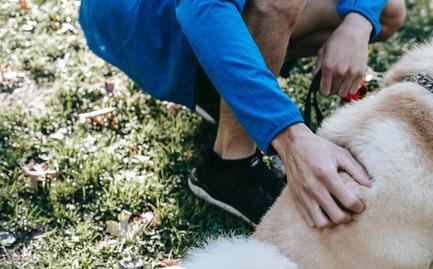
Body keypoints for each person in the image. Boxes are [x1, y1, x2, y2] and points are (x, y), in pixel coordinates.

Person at [79, 0, 405, 228]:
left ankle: (222, 91)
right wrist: (291, 136)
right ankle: (229, 168)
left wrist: (358, 22)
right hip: (142, 20)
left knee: (386, 11)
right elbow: (202, 8)